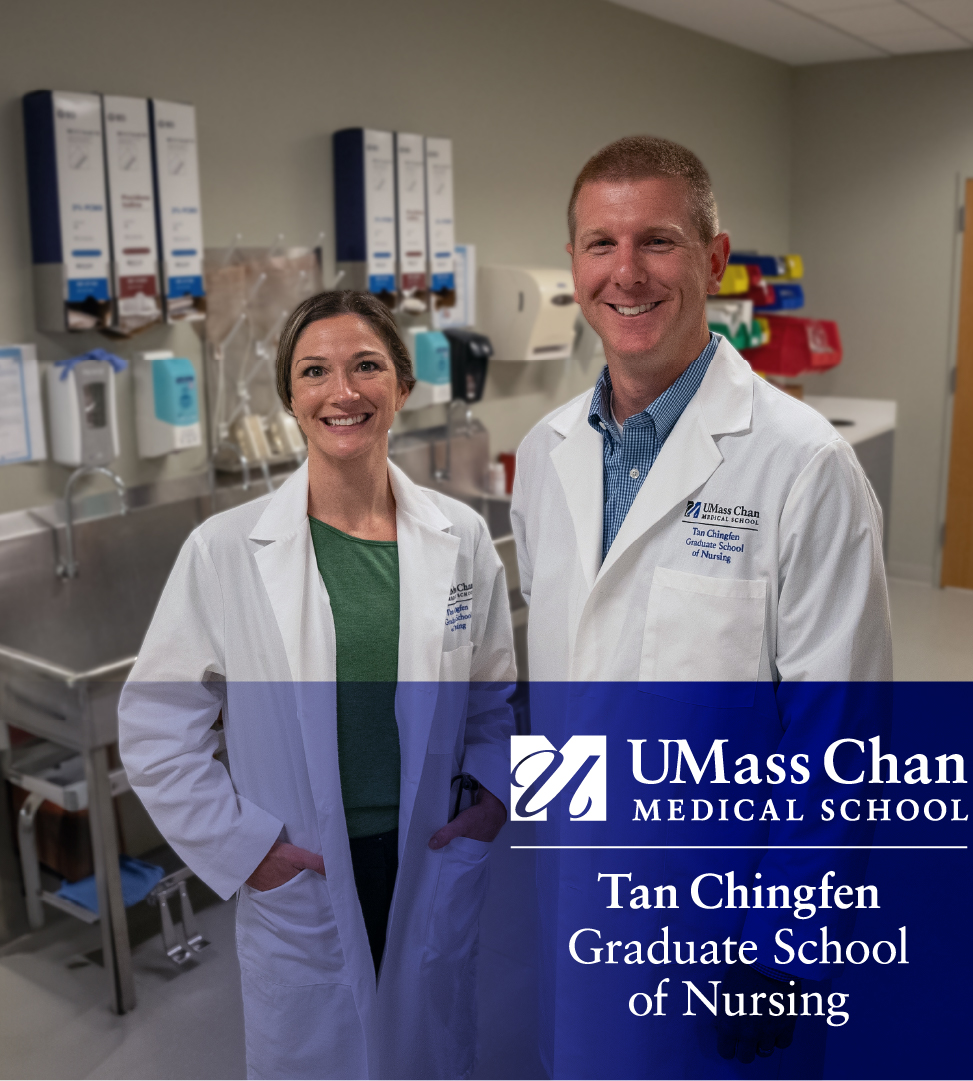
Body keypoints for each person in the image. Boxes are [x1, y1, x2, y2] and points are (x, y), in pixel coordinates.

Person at [510, 136, 892, 1075]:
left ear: (714, 259)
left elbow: (840, 728)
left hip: (719, 925)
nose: (627, 272)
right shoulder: (546, 453)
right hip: (575, 891)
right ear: (573, 264)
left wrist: (782, 942)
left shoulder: (802, 464)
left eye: (658, 241)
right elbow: (562, 674)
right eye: (601, 244)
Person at [119, 290, 515, 1080]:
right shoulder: (225, 550)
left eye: (366, 365)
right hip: (305, 865)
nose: (343, 391)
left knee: (430, 1049)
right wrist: (245, 849)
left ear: (402, 386)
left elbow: (492, 691)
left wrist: (494, 798)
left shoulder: (461, 535)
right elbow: (157, 724)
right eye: (314, 372)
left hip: (430, 848)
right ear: (291, 396)